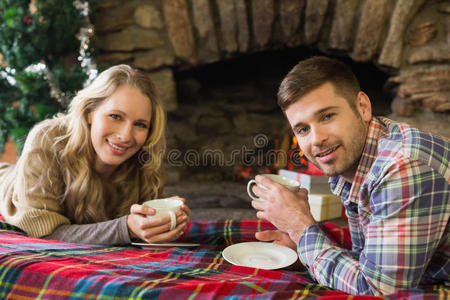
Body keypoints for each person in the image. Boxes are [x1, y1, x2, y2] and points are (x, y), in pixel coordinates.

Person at [251, 56, 449, 295]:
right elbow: (365, 258)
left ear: (363, 107)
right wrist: (305, 246)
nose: (316, 139)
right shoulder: (356, 160)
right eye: (303, 129)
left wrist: (300, 227)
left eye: (327, 116)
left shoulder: (401, 167)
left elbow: (377, 291)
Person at [0, 65, 191, 245]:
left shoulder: (144, 154)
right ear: (90, 112)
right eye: (115, 116)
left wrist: (163, 222)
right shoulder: (47, 140)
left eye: (140, 124)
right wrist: (125, 228)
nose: (125, 136)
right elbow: (45, 233)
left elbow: (140, 228)